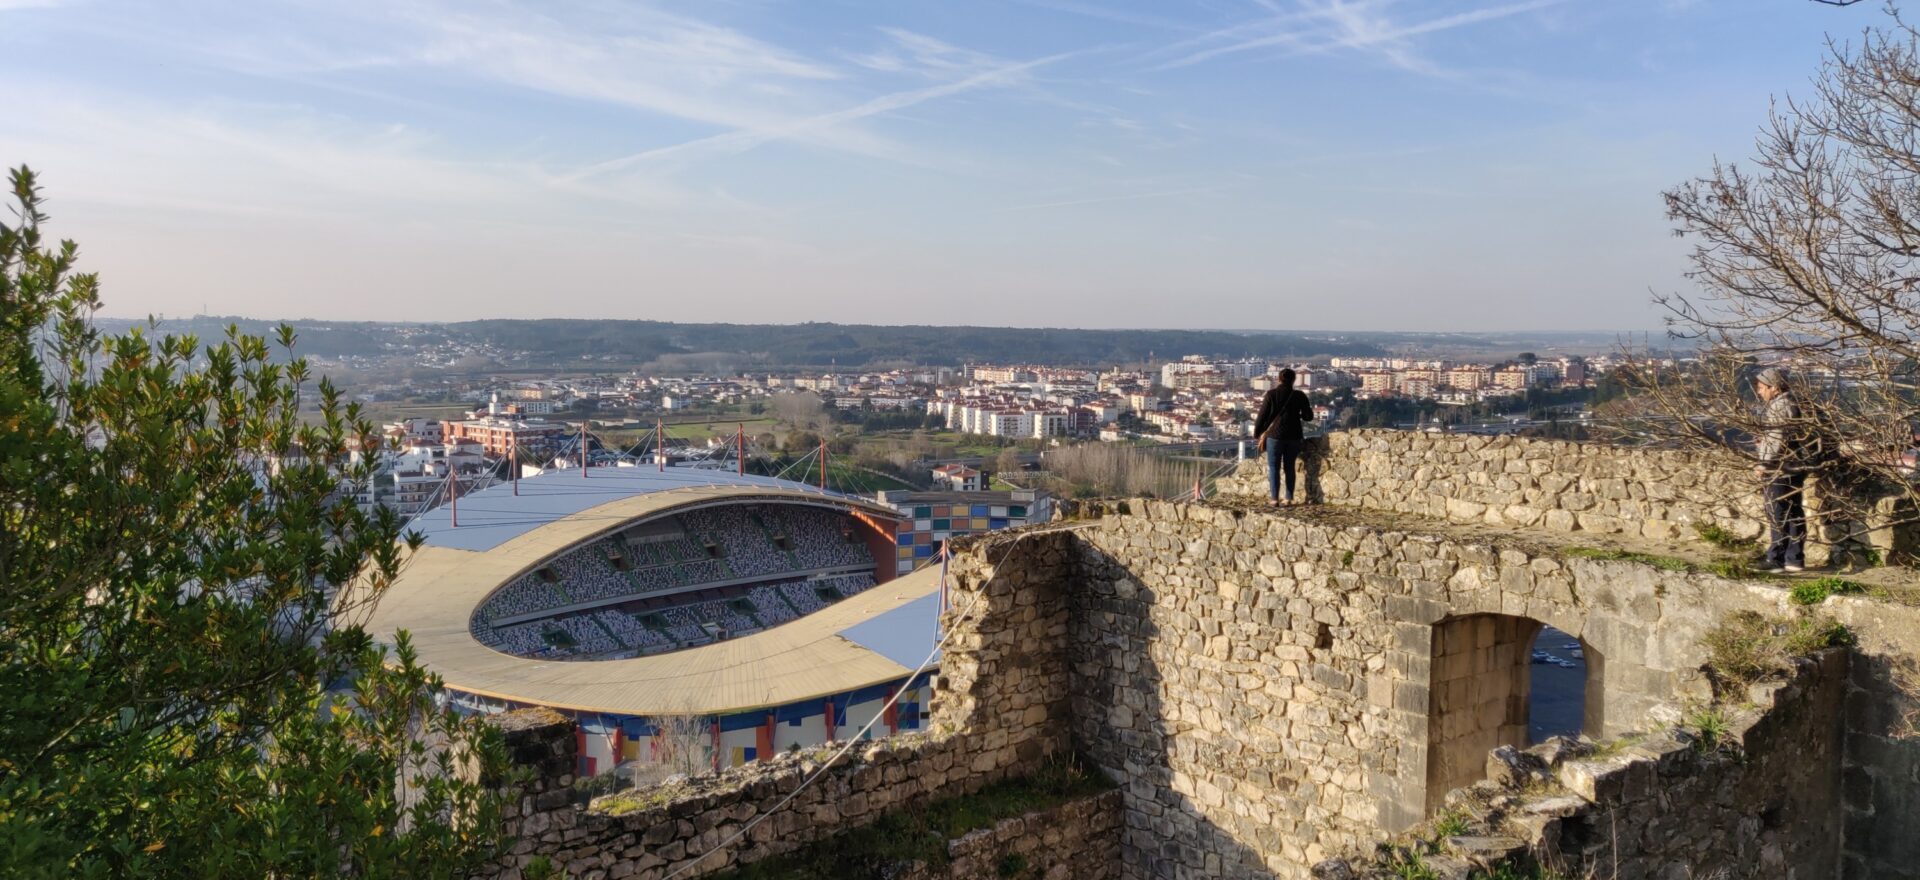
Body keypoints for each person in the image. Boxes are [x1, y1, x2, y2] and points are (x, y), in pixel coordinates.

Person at [1753, 367, 1806, 573]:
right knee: (1794, 512)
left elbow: (1777, 440)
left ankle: (1776, 559)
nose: (1759, 392)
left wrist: (1764, 464)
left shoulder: (1779, 407)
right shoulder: (1793, 403)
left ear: (1774, 387)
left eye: (1761, 387)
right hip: (1795, 466)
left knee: (1777, 513)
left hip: (1780, 469)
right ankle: (1794, 559)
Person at [1253, 369, 1315, 506]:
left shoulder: (1271, 394)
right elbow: (1308, 417)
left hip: (1274, 436)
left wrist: (1258, 434)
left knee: (1274, 467)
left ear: (1279, 379)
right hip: (1294, 435)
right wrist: (1296, 414)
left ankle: (1274, 499)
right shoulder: (1299, 395)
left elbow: (1261, 417)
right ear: (1294, 380)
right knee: (1289, 466)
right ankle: (1288, 498)